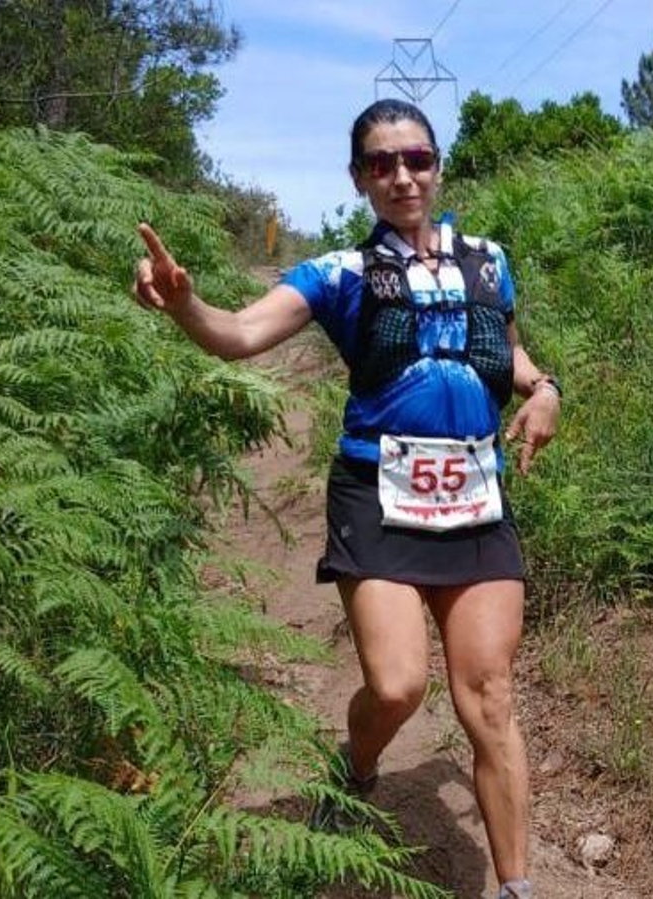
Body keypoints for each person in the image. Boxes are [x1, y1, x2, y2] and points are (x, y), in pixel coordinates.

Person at [132, 98, 558, 899]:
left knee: (490, 697)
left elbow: (506, 350)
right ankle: (357, 763)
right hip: (379, 493)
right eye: (382, 163)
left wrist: (546, 390)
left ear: (437, 165)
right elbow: (238, 334)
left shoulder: (490, 262)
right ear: (359, 177)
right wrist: (186, 303)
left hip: (474, 494)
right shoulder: (341, 273)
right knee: (398, 685)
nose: (403, 176)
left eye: (417, 159)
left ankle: (516, 886)